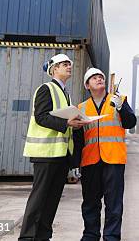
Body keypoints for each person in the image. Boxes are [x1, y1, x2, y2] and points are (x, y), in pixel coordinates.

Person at [20, 53, 88, 241]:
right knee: (39, 198)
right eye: (64, 64)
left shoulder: (65, 93)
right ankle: (27, 237)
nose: (69, 66)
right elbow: (41, 117)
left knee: (51, 201)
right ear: (54, 69)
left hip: (60, 156)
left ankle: (43, 236)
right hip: (45, 154)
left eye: (69, 64)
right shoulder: (46, 89)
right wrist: (67, 123)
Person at [74, 68, 136, 241]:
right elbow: (78, 138)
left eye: (101, 77)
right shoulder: (81, 108)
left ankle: (111, 237)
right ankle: (90, 235)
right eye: (94, 78)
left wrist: (121, 107)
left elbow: (130, 122)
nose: (99, 79)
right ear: (87, 85)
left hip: (114, 159)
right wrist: (74, 164)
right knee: (90, 202)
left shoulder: (119, 100)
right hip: (90, 160)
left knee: (114, 203)